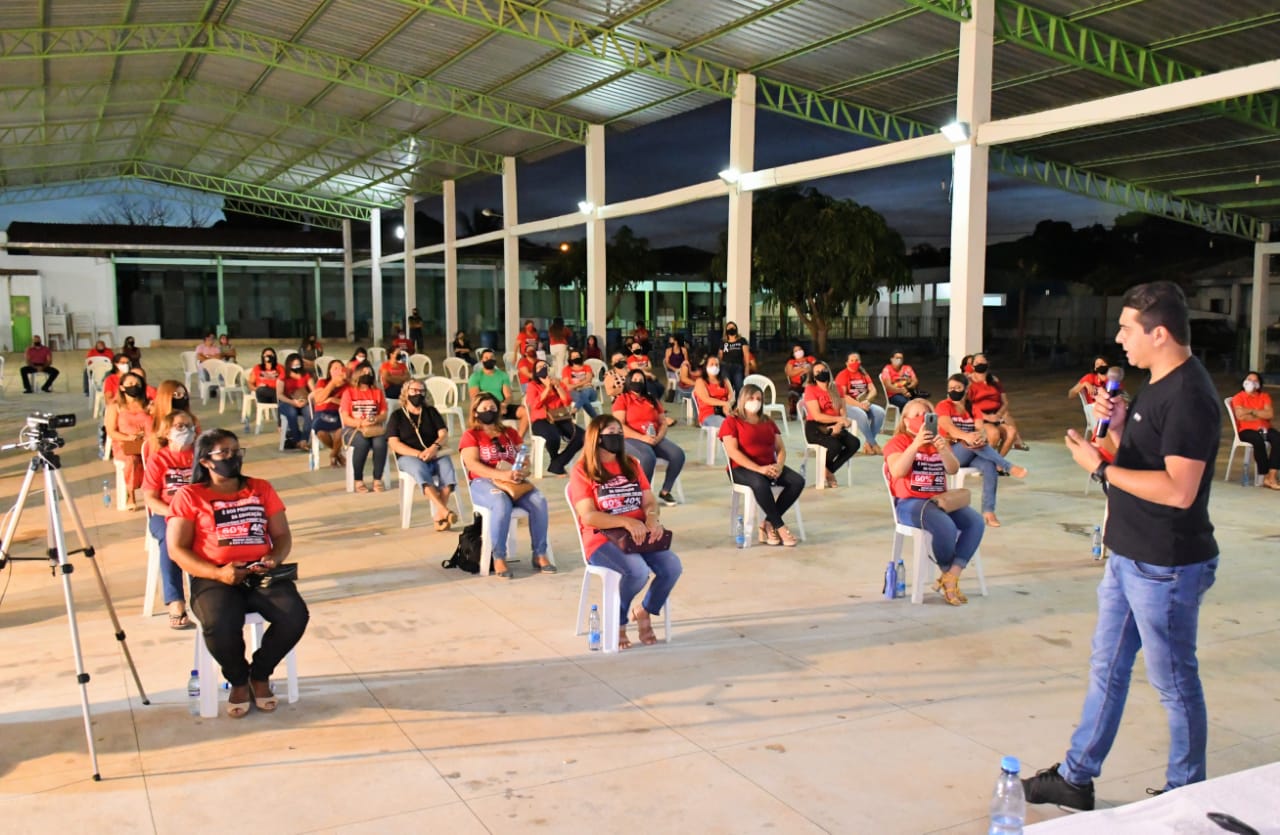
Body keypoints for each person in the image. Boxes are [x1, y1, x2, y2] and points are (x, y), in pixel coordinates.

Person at [1024, 281, 1222, 810]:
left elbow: (1179, 490)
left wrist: (1102, 469)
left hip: (1166, 565)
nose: (1118, 338)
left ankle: (1186, 792)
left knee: (1173, 682)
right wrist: (1112, 432)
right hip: (1130, 554)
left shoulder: (1189, 395)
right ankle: (1076, 777)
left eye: (1126, 328)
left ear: (1159, 334)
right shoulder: (1155, 384)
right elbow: (1142, 462)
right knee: (1107, 669)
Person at [166, 429, 307, 718]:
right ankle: (239, 679)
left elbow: (282, 535)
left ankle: (260, 674)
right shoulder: (189, 495)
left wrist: (274, 557)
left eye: (236, 451)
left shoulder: (260, 488)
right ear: (205, 461)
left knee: (294, 615)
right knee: (219, 623)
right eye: (224, 452)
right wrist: (218, 574)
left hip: (259, 573)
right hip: (213, 575)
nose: (233, 457)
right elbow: (176, 549)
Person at [570, 415, 681, 648]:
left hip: (639, 533)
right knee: (637, 572)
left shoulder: (631, 464)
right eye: (611, 433)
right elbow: (588, 515)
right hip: (601, 538)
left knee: (672, 567)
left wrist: (652, 518)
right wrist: (626, 522)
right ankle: (618, 621)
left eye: (619, 432)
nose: (618, 437)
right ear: (596, 438)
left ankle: (644, 611)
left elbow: (649, 501)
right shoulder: (583, 471)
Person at [884, 398, 984, 605]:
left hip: (939, 501)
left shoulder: (940, 441)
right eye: (916, 415)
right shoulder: (898, 442)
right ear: (905, 420)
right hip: (910, 503)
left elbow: (953, 469)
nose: (922, 419)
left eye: (926, 415)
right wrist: (916, 445)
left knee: (975, 521)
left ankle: (952, 576)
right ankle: (948, 574)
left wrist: (943, 449)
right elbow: (897, 471)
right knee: (945, 526)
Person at [459, 392, 554, 577]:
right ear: (475, 412)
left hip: (512, 480)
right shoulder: (471, 435)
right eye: (484, 408)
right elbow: (472, 464)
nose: (489, 411)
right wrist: (501, 475)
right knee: (501, 503)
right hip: (483, 481)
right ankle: (499, 556)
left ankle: (539, 553)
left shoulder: (510, 433)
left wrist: (522, 471)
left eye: (492, 408)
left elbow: (525, 460)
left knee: (539, 501)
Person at [935, 374, 1027, 527]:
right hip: (950, 454)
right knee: (970, 442)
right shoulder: (944, 406)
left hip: (972, 451)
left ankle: (988, 512)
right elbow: (948, 427)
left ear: (966, 389)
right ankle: (1007, 466)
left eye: (958, 388)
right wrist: (967, 437)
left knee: (989, 465)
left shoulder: (973, 408)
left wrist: (979, 436)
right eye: (950, 388)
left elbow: (979, 428)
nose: (953, 391)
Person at [720, 384, 804, 546]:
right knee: (760, 483)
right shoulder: (732, 421)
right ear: (743, 399)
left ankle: (768, 522)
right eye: (751, 398)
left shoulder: (767, 421)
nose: (755, 401)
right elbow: (733, 452)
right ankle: (780, 527)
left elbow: (781, 449)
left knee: (797, 481)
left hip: (769, 465)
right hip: (741, 468)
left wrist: (779, 466)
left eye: (759, 398)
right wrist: (759, 469)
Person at [141, 410, 197, 628]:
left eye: (190, 426)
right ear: (167, 431)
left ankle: (208, 595)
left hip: (196, 514)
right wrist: (174, 514)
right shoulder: (159, 459)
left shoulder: (200, 457)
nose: (187, 430)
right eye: (181, 426)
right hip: (165, 514)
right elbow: (150, 498)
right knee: (170, 537)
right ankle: (175, 601)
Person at [387, 379, 458, 530]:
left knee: (447, 468)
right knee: (419, 470)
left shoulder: (431, 412)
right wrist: (418, 453)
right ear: (406, 393)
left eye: (421, 391)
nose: (418, 394)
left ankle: (440, 515)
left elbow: (443, 434)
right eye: (414, 390)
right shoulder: (397, 416)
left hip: (434, 453)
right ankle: (444, 511)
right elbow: (394, 443)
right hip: (409, 456)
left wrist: (433, 448)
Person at [612, 368, 684, 506]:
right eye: (634, 380)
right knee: (648, 457)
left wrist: (659, 437)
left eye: (640, 380)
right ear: (629, 381)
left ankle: (665, 491)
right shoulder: (622, 399)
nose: (637, 382)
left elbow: (663, 422)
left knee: (677, 454)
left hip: (653, 438)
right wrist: (642, 437)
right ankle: (644, 494)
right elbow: (619, 425)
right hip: (631, 439)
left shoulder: (651, 399)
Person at [802, 361, 860, 488]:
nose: (821, 373)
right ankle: (829, 474)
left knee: (854, 443)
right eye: (817, 372)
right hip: (816, 427)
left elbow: (843, 410)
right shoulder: (810, 389)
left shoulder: (837, 388)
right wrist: (839, 420)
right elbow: (817, 416)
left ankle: (828, 470)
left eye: (823, 370)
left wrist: (839, 424)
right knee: (835, 445)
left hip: (835, 423)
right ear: (813, 376)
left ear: (828, 371)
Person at [526, 359, 585, 476]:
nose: (542, 368)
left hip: (559, 418)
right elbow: (535, 405)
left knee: (583, 436)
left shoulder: (558, 382)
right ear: (535, 371)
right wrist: (547, 388)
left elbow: (567, 401)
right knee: (553, 436)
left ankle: (557, 463)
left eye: (545, 366)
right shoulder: (533, 385)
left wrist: (557, 387)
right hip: (541, 420)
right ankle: (556, 462)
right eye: (539, 367)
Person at [106, 371, 151, 511]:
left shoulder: (148, 405)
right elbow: (111, 431)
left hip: (146, 443)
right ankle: (130, 493)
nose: (134, 386)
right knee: (132, 459)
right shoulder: (115, 407)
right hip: (124, 445)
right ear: (122, 387)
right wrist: (128, 437)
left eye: (137, 384)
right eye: (130, 384)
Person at [341, 363, 389, 492]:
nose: (367, 375)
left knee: (380, 443)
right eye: (364, 372)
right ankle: (358, 480)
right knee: (362, 443)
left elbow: (384, 414)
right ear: (357, 374)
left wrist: (374, 419)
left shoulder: (377, 393)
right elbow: (345, 418)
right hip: (353, 429)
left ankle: (377, 479)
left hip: (373, 428)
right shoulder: (349, 393)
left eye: (369, 372)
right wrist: (361, 423)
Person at [967, 353, 1025, 456]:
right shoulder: (969, 382)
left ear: (987, 364)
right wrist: (987, 417)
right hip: (979, 416)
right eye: (977, 362)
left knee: (1011, 432)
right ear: (972, 366)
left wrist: (998, 415)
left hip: (996, 415)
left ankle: (998, 462)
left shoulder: (994, 380)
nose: (980, 364)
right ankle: (983, 460)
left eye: (982, 361)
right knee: (994, 434)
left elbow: (1005, 402)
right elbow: (968, 406)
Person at [1231, 371, 1279, 490]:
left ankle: (1272, 476)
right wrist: (1259, 413)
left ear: (1259, 384)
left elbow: (1269, 414)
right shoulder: (1238, 397)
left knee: (1278, 439)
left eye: (1255, 380)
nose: (1251, 382)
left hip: (1265, 427)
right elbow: (1240, 416)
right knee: (1258, 441)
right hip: (1246, 430)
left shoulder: (1264, 396)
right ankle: (1264, 474)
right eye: (1249, 379)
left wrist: (1250, 411)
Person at [835, 351, 885, 455]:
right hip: (847, 405)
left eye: (857, 360)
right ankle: (874, 444)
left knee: (880, 412)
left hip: (863, 403)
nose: (854, 363)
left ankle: (868, 444)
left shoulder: (863, 374)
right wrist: (859, 405)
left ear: (860, 361)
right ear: (847, 363)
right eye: (852, 360)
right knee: (862, 415)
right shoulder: (843, 375)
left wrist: (867, 400)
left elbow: (873, 390)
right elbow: (843, 396)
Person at [311, 359, 348, 467]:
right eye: (335, 368)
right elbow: (318, 399)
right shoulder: (322, 382)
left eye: (340, 368)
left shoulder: (348, 385)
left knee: (340, 432)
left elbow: (349, 403)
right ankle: (337, 454)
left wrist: (332, 400)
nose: (338, 371)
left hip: (339, 412)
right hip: (322, 412)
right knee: (321, 433)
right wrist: (332, 383)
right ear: (330, 371)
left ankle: (333, 455)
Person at [277, 353, 313, 452]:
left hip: (303, 401)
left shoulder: (305, 375)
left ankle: (304, 440)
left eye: (298, 364)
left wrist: (306, 400)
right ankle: (297, 439)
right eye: (294, 365)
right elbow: (279, 395)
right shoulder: (283, 376)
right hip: (287, 402)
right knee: (291, 412)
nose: (296, 367)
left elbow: (313, 391)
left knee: (309, 412)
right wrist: (292, 402)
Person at [148, 380, 195, 449]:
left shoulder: (193, 419)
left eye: (184, 395)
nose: (182, 398)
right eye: (177, 395)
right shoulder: (153, 422)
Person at [693, 356, 734, 430]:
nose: (714, 367)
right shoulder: (700, 381)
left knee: (742, 424)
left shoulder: (725, 380)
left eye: (716, 365)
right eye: (711, 364)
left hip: (726, 411)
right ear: (706, 366)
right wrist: (724, 403)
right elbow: (706, 399)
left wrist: (728, 405)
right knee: (728, 426)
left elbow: (731, 396)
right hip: (709, 414)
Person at [718, 321, 753, 397]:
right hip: (725, 367)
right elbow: (720, 356)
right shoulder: (723, 342)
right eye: (729, 327)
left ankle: (739, 403)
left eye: (733, 327)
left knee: (739, 387)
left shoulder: (742, 340)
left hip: (738, 366)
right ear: (726, 330)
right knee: (727, 388)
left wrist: (747, 369)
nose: (731, 329)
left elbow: (746, 355)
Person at [562, 348, 599, 418]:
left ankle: (575, 409)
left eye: (577, 356)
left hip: (590, 393)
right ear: (570, 358)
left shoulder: (587, 367)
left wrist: (575, 386)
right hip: (575, 393)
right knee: (582, 397)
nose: (575, 358)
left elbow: (588, 380)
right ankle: (597, 418)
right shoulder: (566, 369)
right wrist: (582, 385)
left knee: (586, 391)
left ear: (581, 356)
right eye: (573, 357)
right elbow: (567, 386)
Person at [784, 344, 815, 418]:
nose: (798, 352)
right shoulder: (792, 362)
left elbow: (816, 367)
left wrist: (797, 370)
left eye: (800, 349)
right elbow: (790, 373)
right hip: (797, 384)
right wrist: (803, 369)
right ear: (793, 354)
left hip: (810, 382)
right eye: (796, 351)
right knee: (792, 392)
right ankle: (793, 414)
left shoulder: (810, 358)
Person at [663, 336, 688, 402]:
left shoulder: (683, 350)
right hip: (671, 370)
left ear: (676, 341)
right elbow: (667, 363)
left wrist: (681, 369)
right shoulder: (668, 350)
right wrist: (674, 369)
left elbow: (686, 361)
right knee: (673, 378)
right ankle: (670, 396)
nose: (669, 342)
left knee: (684, 378)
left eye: (671, 340)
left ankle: (682, 394)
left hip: (682, 370)